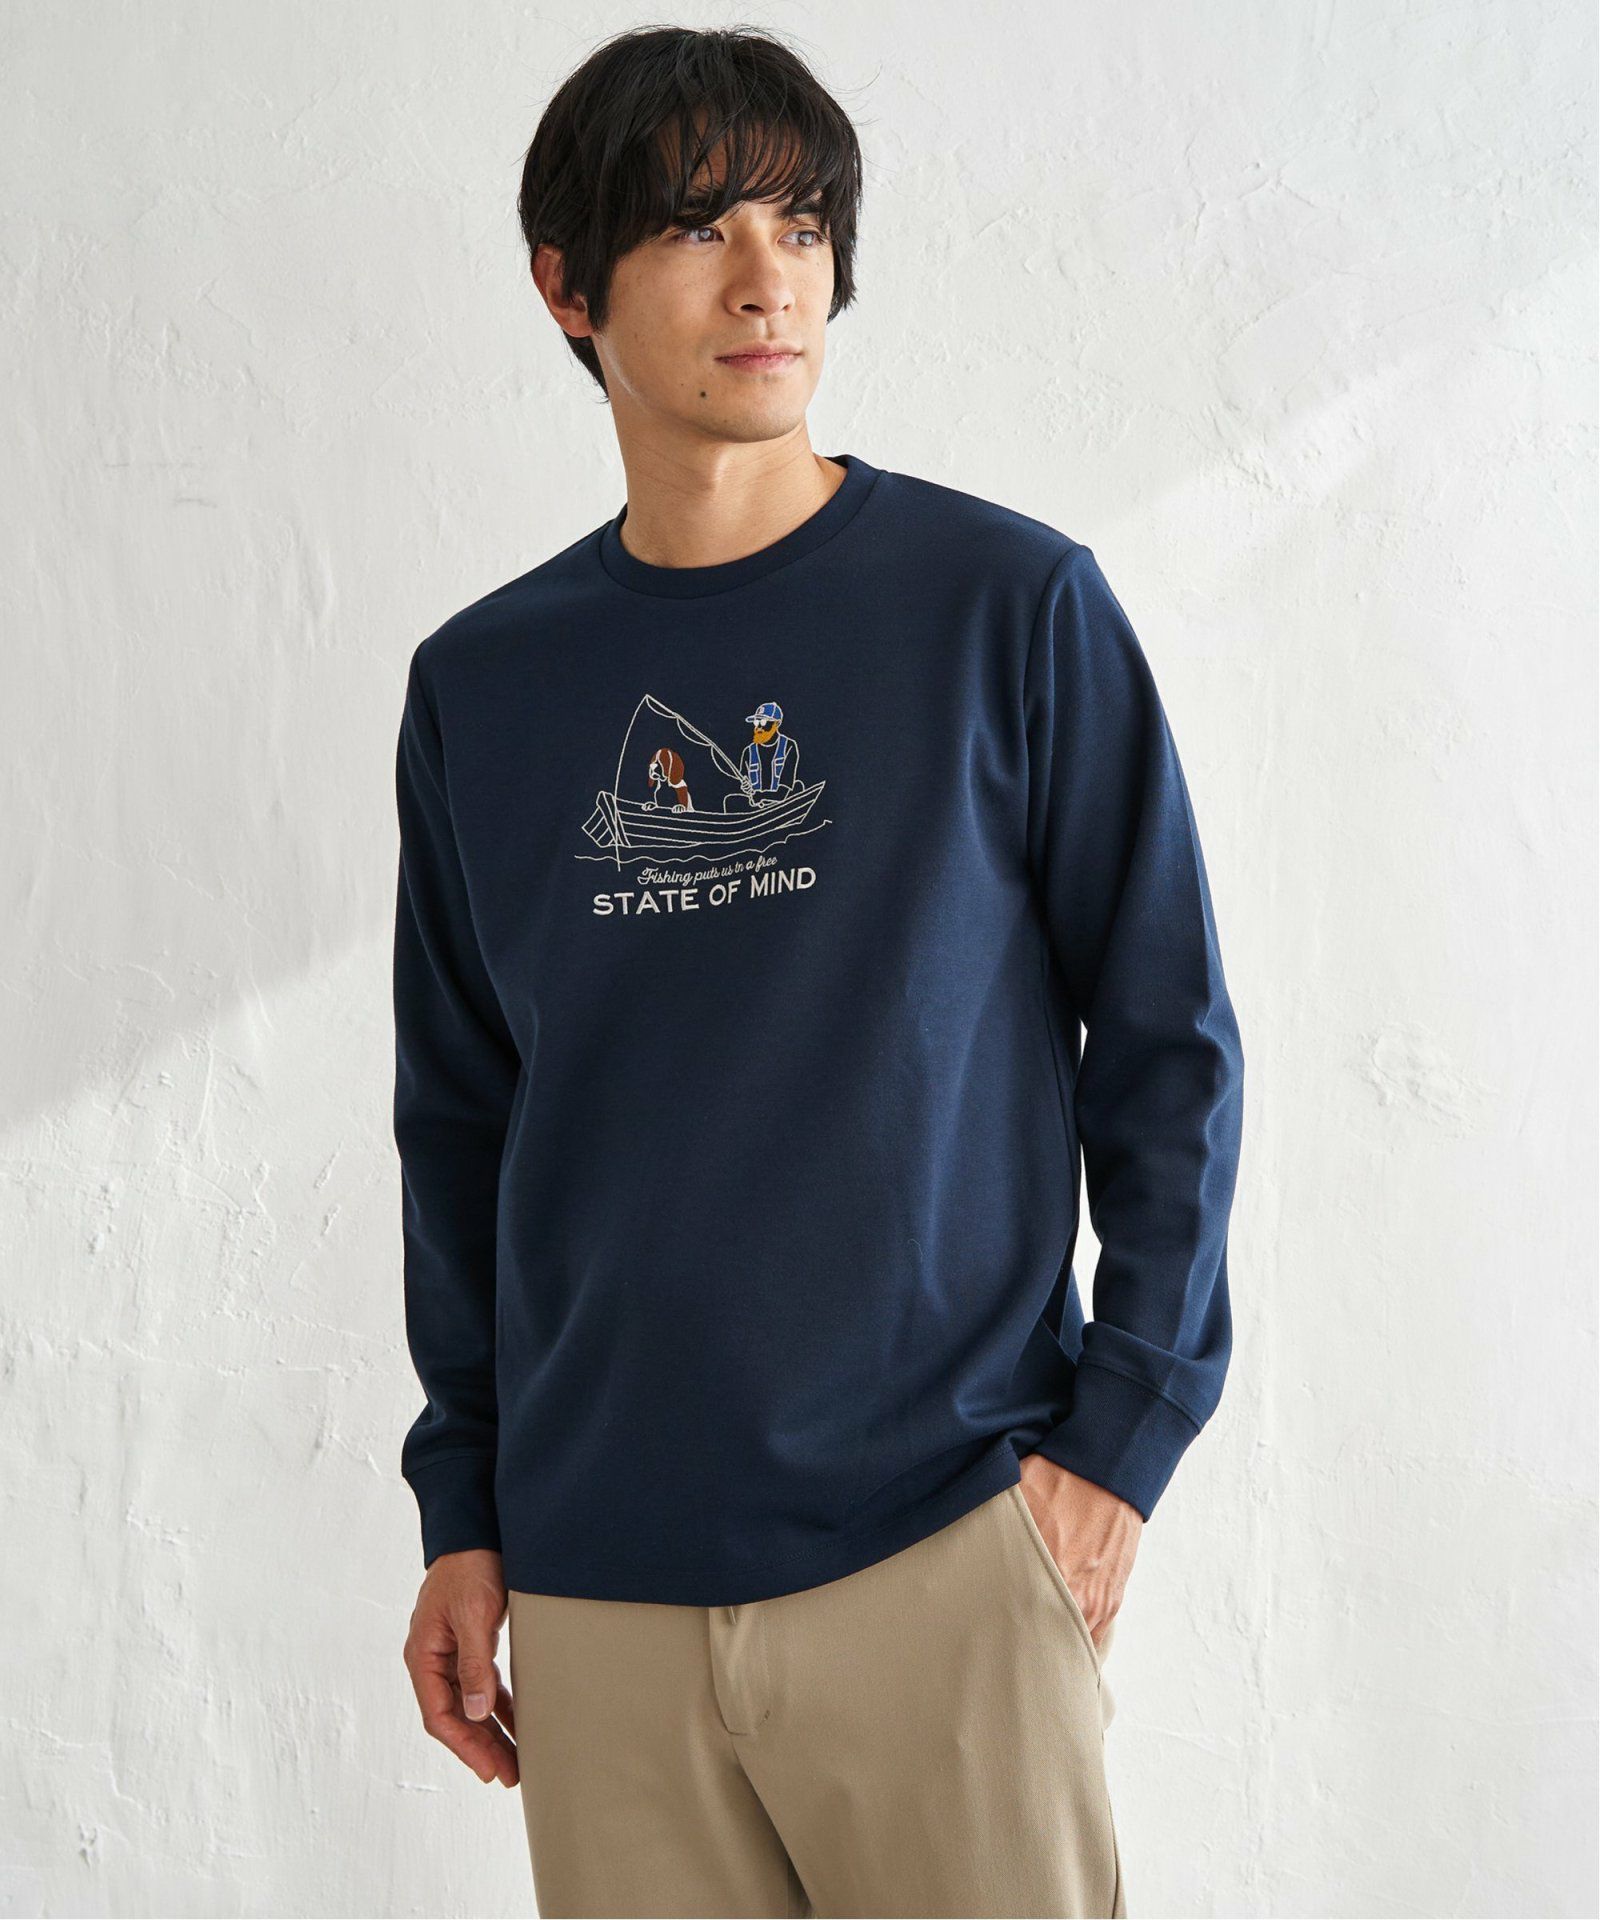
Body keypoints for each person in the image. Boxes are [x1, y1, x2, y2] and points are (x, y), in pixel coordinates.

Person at [392, 25, 1245, 1919]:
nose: (768, 279)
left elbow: (1168, 1040)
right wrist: (466, 1506)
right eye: (697, 228)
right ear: (566, 286)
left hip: (944, 1551)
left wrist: (1118, 1447)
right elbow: (461, 1125)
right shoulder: (483, 689)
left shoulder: (1006, 606)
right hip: (599, 1592)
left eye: (800, 223)